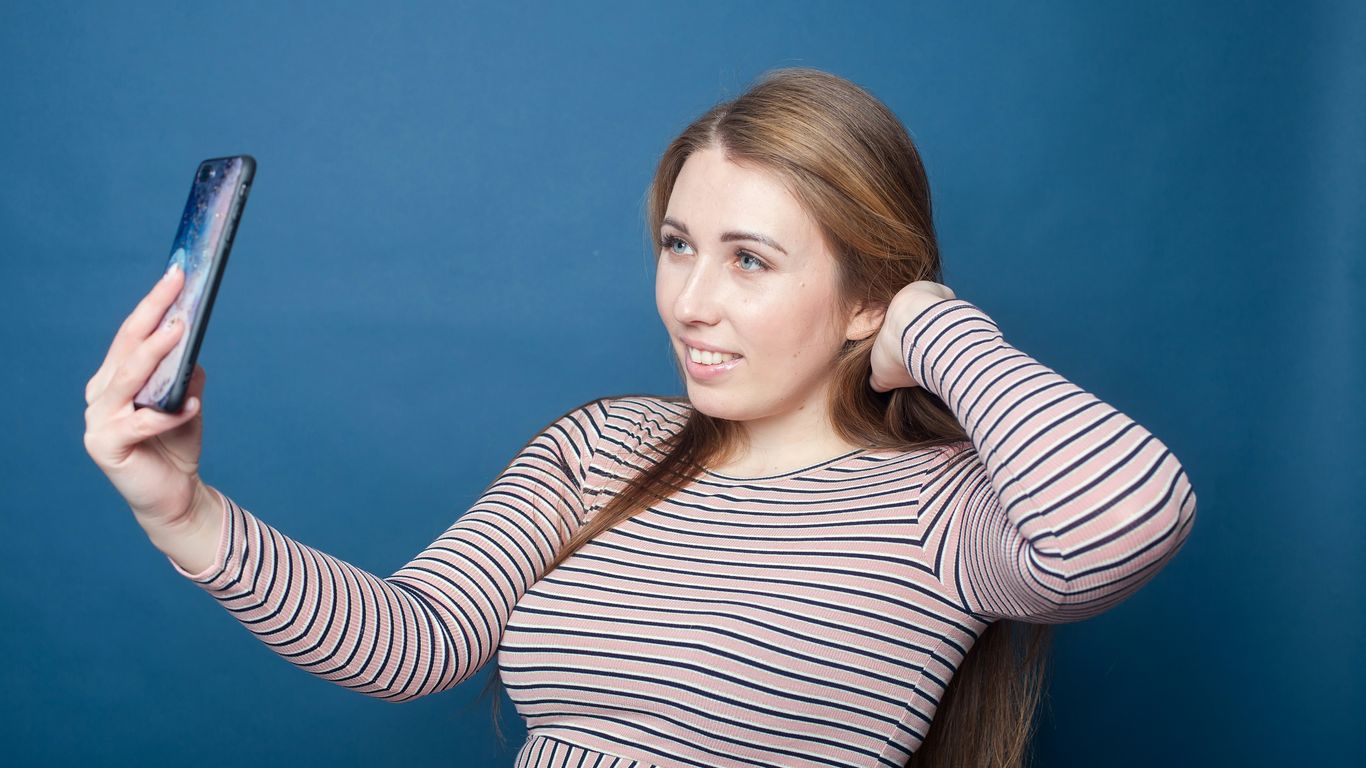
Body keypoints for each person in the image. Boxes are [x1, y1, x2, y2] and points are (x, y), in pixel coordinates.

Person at [83, 67, 1197, 768]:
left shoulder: (941, 508)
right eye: (678, 245)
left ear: (867, 295)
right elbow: (414, 640)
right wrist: (181, 509)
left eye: (749, 260)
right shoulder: (604, 445)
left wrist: (935, 330)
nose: (690, 302)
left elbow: (1127, 523)